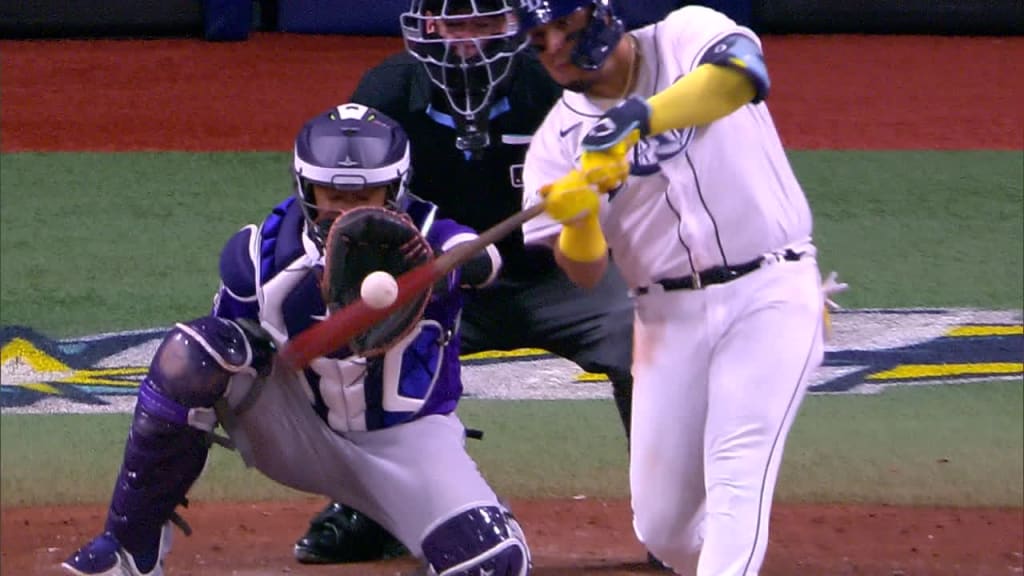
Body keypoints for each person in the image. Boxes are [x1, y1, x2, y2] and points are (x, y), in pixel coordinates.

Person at [61, 102, 532, 576]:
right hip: (295, 430)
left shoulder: (429, 241)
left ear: (396, 191)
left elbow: (481, 258)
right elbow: (216, 357)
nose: (346, 211)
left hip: (408, 445)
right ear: (307, 188)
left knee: (492, 563)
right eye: (332, 195)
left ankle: (463, 516)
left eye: (366, 195)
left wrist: (442, 268)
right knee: (193, 356)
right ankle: (128, 547)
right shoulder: (260, 256)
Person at [292, 0, 643, 566]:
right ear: (426, 28)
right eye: (453, 24)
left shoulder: (550, 88)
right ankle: (366, 510)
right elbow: (346, 213)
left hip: (557, 278)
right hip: (438, 286)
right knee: (358, 344)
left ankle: (669, 512)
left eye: (483, 23)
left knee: (644, 338)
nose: (467, 41)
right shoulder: (386, 95)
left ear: (512, 26)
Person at [516, 1, 828, 574]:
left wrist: (634, 120)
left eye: (565, 26)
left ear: (600, 12)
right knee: (664, 528)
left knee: (737, 471)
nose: (555, 46)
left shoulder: (686, 35)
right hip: (665, 320)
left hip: (770, 290)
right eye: (540, 37)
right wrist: (582, 219)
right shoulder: (555, 144)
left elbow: (740, 76)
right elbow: (583, 273)